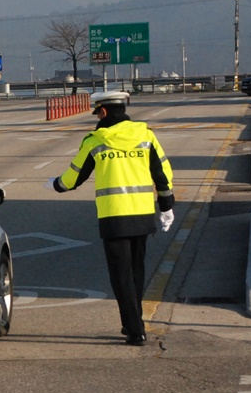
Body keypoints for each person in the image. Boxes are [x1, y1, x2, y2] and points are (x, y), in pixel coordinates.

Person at [45, 91, 175, 346]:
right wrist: (167, 205)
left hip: (114, 216)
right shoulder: (146, 135)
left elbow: (75, 176)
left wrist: (56, 185)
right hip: (141, 214)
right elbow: (162, 171)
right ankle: (131, 323)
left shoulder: (95, 140)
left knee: (121, 275)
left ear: (103, 112)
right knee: (136, 272)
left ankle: (136, 330)